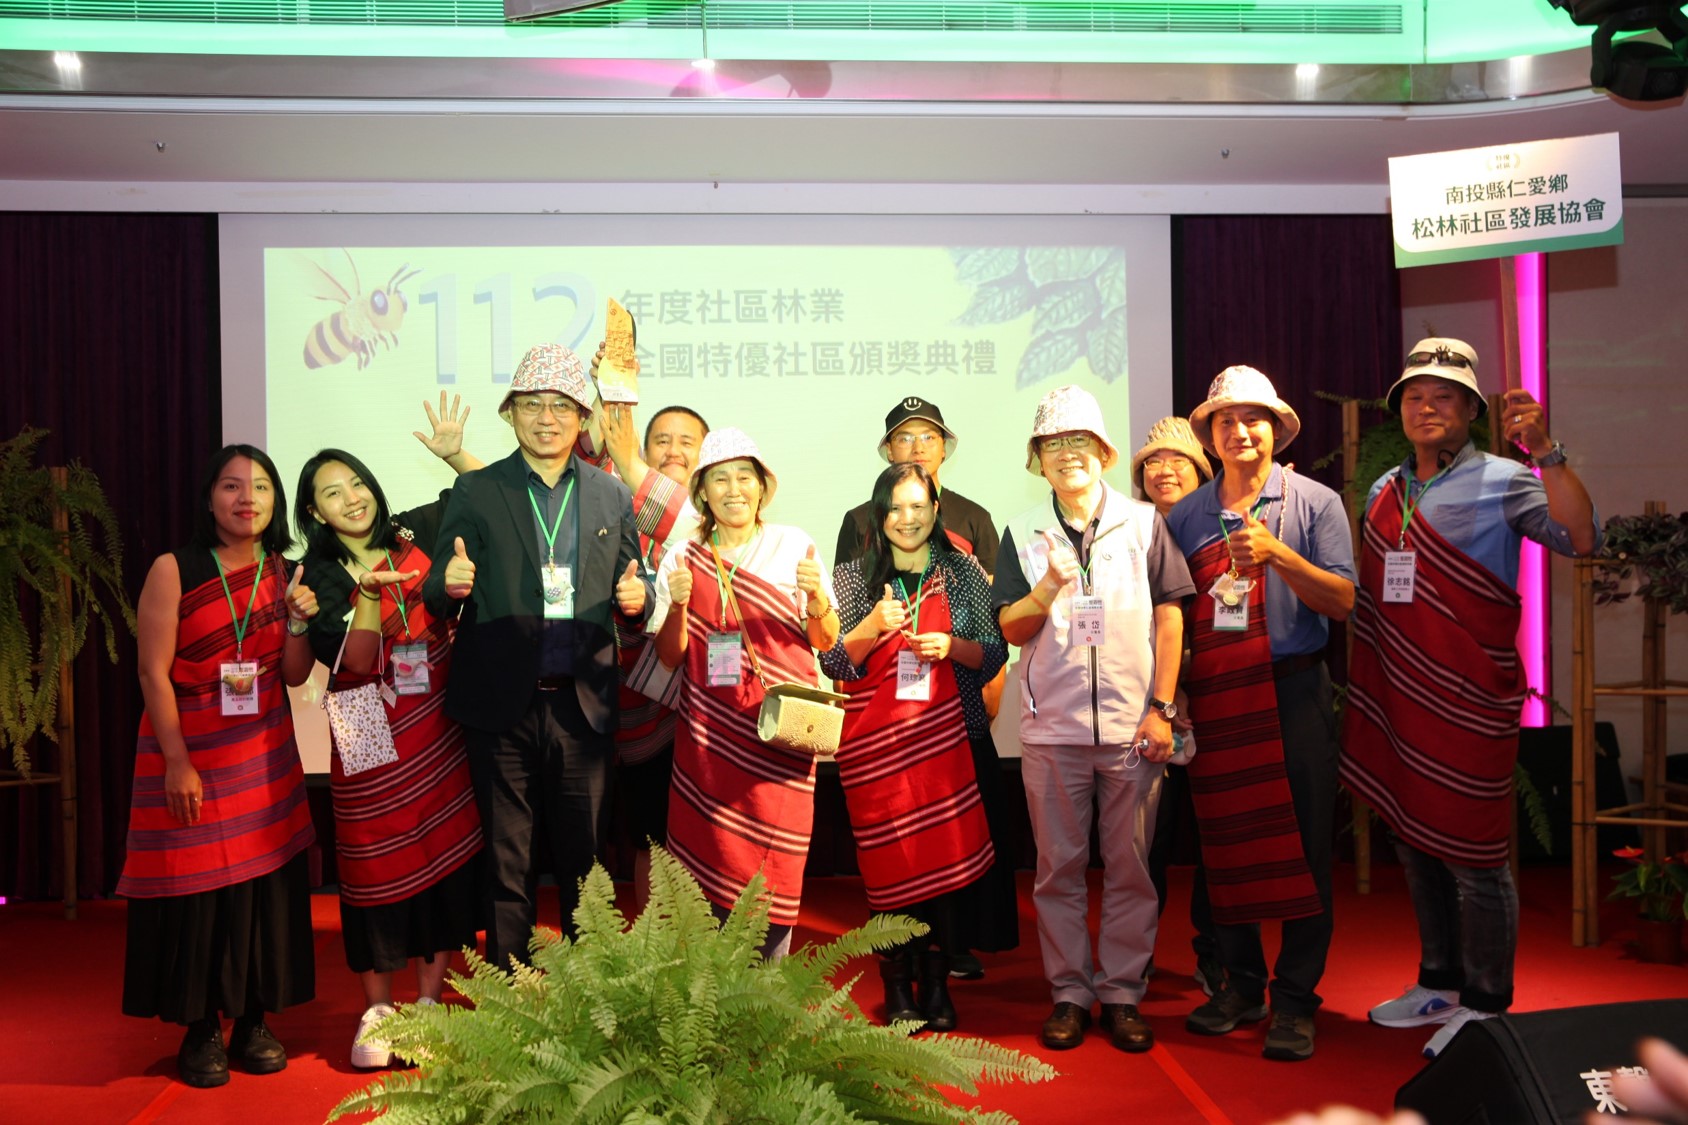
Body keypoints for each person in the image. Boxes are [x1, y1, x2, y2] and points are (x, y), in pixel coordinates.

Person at [1340, 338, 1599, 1057]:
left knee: (1476, 856)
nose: (1427, 407)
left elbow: (1581, 536)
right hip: (1400, 691)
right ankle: (1440, 981)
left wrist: (1545, 452)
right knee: (1413, 840)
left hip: (1468, 696)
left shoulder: (1507, 479)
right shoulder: (1385, 488)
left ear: (1471, 411)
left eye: (1444, 396)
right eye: (1415, 396)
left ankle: (1487, 1002)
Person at [421, 342, 650, 971]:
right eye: (531, 405)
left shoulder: (611, 495)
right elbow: (436, 588)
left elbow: (637, 582)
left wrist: (640, 599)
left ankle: (588, 991)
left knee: (587, 865)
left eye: (561, 406)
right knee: (507, 861)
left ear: (581, 418)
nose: (546, 418)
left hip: (583, 705)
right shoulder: (477, 489)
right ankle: (510, 992)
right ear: (510, 413)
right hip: (500, 707)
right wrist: (450, 584)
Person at [993, 385, 1193, 1054]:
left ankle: (1124, 993)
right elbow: (1011, 627)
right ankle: (1071, 994)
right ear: (1038, 460)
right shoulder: (1022, 530)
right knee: (1058, 871)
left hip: (1134, 730)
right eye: (1053, 444)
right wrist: (1048, 585)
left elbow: (1170, 617)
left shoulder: (1143, 523)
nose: (1067, 454)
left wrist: (1162, 708)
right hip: (1053, 731)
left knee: (1132, 869)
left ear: (1104, 452)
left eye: (1080, 441)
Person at [1166, 365, 1356, 1062]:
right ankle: (1241, 986)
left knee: (1305, 851)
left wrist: (1279, 556)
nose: (1240, 431)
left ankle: (1296, 999)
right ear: (1210, 435)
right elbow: (1174, 617)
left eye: (1253, 419)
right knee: (1226, 846)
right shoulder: (1186, 516)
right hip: (1217, 696)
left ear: (1275, 430)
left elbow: (1343, 601)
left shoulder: (1314, 503)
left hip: (1293, 691)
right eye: (1226, 421)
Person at [294, 394, 488, 1069]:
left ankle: (429, 1003)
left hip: (434, 711)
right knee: (374, 864)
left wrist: (454, 455)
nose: (351, 498)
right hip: (362, 721)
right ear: (315, 511)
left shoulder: (415, 532)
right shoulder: (317, 573)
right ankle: (377, 1009)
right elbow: (353, 660)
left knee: (442, 856)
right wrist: (372, 596)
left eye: (356, 483)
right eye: (332, 493)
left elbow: (492, 496)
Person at [119, 444, 320, 1089]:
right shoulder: (174, 568)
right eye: (232, 486)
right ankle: (201, 1027)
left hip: (263, 759)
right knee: (197, 897)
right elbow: (152, 673)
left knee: (262, 897)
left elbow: (294, 676)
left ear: (275, 501)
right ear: (210, 498)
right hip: (192, 754)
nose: (246, 499)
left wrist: (297, 624)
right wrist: (176, 762)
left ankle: (255, 1021)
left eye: (260, 487)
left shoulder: (286, 572)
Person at [819, 462, 1006, 1030]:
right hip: (877, 756)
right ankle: (897, 983)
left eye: (919, 507)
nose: (908, 518)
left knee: (945, 867)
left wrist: (952, 646)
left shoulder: (961, 570)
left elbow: (994, 651)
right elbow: (834, 662)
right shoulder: (853, 578)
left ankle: (937, 984)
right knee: (889, 869)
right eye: (896, 508)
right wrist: (873, 625)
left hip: (949, 745)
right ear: (879, 515)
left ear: (936, 510)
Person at [650, 427, 841, 959]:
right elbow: (669, 655)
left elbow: (825, 641)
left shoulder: (793, 544)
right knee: (704, 868)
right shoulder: (683, 555)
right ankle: (706, 989)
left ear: (762, 487)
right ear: (702, 493)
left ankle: (769, 989)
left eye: (744, 477)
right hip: (709, 743)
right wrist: (679, 605)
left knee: (773, 868)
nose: (734, 490)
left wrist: (816, 597)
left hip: (780, 738)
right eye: (720, 479)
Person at [594, 394, 710, 911]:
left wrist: (627, 460)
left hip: (712, 705)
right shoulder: (616, 507)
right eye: (661, 440)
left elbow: (688, 520)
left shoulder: (720, 515)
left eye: (687, 442)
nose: (673, 450)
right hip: (641, 704)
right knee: (652, 835)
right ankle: (652, 941)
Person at [1131, 417, 1222, 994]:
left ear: (1201, 472)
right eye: (1153, 462)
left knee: (1216, 839)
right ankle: (1134, 954)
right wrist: (1166, 692)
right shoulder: (1127, 532)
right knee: (1148, 842)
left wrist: (1188, 681)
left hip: (1214, 698)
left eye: (1177, 460)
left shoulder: (1219, 530)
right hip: (1148, 704)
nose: (1163, 471)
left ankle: (1215, 954)